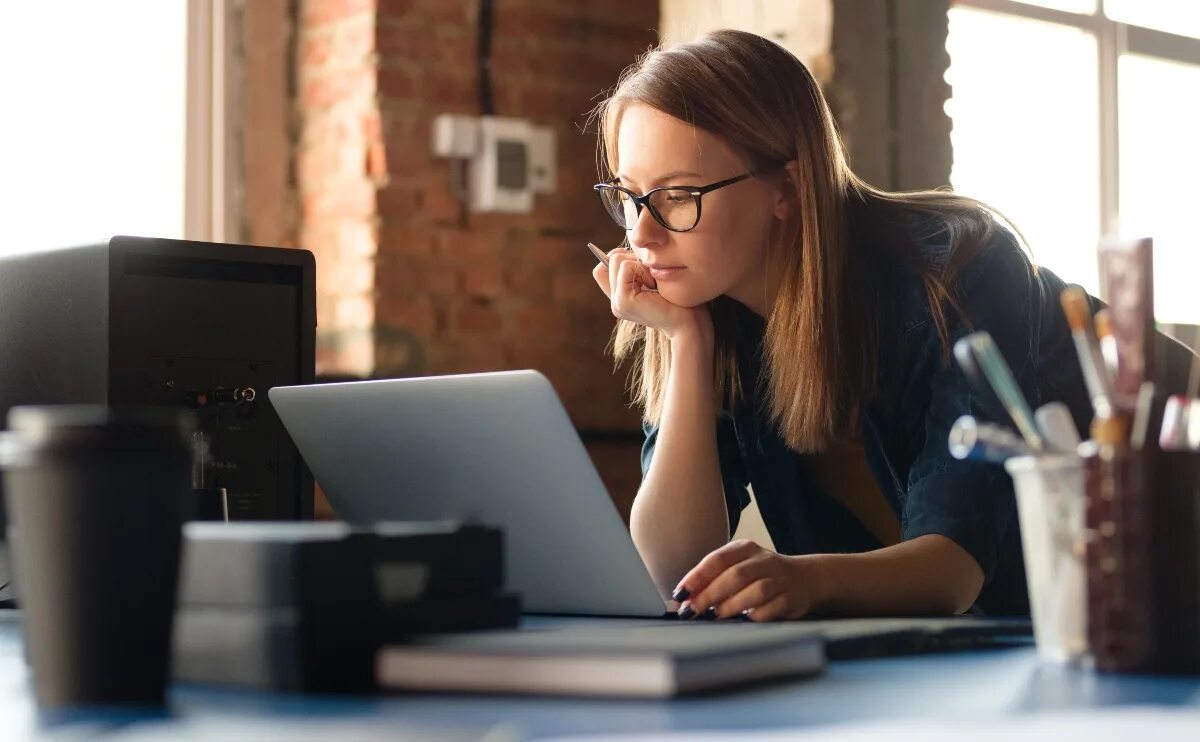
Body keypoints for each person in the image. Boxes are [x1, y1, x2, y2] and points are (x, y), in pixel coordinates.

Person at [588, 29, 1094, 621]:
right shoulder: (712, 308)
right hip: (941, 667)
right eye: (628, 197)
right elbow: (676, 568)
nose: (642, 235)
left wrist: (807, 581)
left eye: (677, 196)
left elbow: (957, 571)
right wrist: (688, 341)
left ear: (788, 188)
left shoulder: (960, 269)